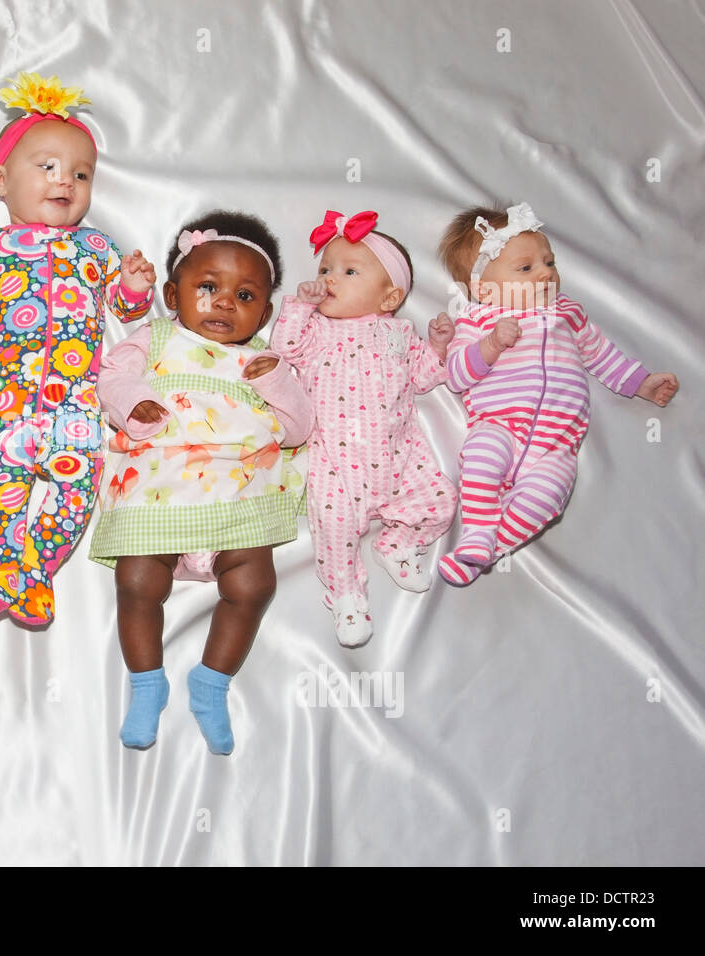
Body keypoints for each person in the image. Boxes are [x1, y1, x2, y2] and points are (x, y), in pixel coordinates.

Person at [0, 72, 156, 625]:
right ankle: (1, 572)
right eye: (47, 167)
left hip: (76, 411)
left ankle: (33, 574)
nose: (65, 182)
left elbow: (126, 312)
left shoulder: (96, 246)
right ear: (1, 181)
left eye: (81, 173)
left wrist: (133, 285)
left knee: (77, 494)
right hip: (5, 406)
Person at [90, 211, 312, 754]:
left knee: (254, 584)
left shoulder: (262, 360)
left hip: (236, 500)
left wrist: (279, 380)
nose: (223, 303)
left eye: (245, 296)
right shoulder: (156, 338)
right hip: (159, 496)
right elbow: (111, 379)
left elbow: (299, 428)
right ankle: (147, 684)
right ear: (172, 292)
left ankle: (212, 682)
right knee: (138, 582)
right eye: (208, 287)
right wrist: (133, 404)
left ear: (264, 311)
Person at [436, 203, 678, 585]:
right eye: (527, 267)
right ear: (485, 287)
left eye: (549, 262)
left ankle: (485, 552)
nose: (547, 271)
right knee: (481, 456)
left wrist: (641, 383)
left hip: (557, 443)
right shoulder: (477, 320)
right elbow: (456, 375)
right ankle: (478, 529)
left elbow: (602, 355)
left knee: (549, 498)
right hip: (500, 425)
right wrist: (492, 345)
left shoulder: (569, 313)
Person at [272, 211, 456, 646]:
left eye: (349, 271)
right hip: (337, 463)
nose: (331, 279)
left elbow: (423, 376)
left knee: (442, 500)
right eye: (325, 269)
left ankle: (397, 543)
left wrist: (439, 346)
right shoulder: (316, 330)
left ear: (390, 297)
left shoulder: (398, 333)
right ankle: (347, 597)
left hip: (399, 458)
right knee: (332, 525)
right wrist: (300, 304)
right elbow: (285, 346)